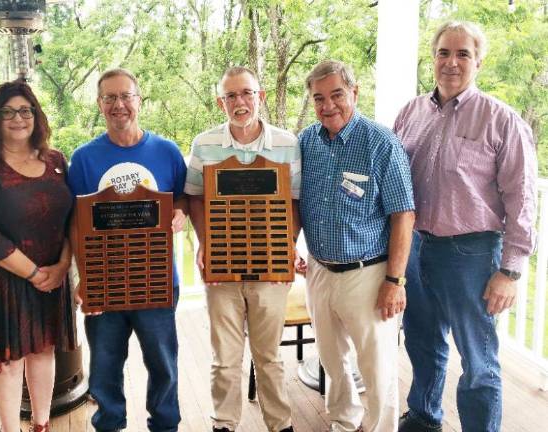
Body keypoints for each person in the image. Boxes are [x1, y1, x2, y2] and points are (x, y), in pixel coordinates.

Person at [393, 21, 537, 432]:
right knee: (422, 342)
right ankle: (424, 416)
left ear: (479, 62)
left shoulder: (501, 120)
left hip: (471, 255)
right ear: (433, 57)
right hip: (416, 248)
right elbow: (393, 179)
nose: (451, 63)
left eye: (462, 54)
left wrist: (509, 272)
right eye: (443, 53)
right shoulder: (411, 112)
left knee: (477, 359)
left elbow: (522, 200)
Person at [298, 60, 416, 432]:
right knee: (333, 362)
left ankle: (380, 427)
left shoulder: (381, 143)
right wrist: (289, 247)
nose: (328, 105)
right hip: (319, 271)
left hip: (369, 274)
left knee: (376, 366)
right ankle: (343, 423)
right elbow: (297, 202)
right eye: (319, 98)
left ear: (355, 92)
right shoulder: (306, 142)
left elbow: (403, 215)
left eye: (336, 94)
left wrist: (394, 281)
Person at [67, 68, 187, 432]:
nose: (119, 105)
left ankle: (165, 426)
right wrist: (84, 278)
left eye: (126, 96)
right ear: (100, 104)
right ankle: (109, 425)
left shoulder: (166, 151)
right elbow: (75, 222)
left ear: (139, 100)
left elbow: (181, 197)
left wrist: (180, 211)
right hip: (106, 282)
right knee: (104, 367)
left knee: (163, 364)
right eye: (110, 98)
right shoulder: (84, 158)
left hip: (157, 280)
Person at [184, 66, 299, 432]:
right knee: (225, 357)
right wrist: (206, 243)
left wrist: (287, 247)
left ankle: (280, 424)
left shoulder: (287, 143)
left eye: (246, 93)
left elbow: (295, 203)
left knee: (269, 357)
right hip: (222, 267)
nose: (240, 102)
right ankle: (224, 423)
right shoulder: (204, 144)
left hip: (271, 267)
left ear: (260, 96)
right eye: (231, 96)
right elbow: (195, 199)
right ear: (221, 102)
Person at [0, 81, 76, 432]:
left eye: (25, 110)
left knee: (44, 352)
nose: (17, 118)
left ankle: (41, 424)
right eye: (7, 111)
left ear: (36, 116)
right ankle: (10, 428)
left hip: (54, 275)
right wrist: (35, 274)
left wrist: (62, 266)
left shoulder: (56, 160)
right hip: (8, 279)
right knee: (10, 363)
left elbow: (73, 219)